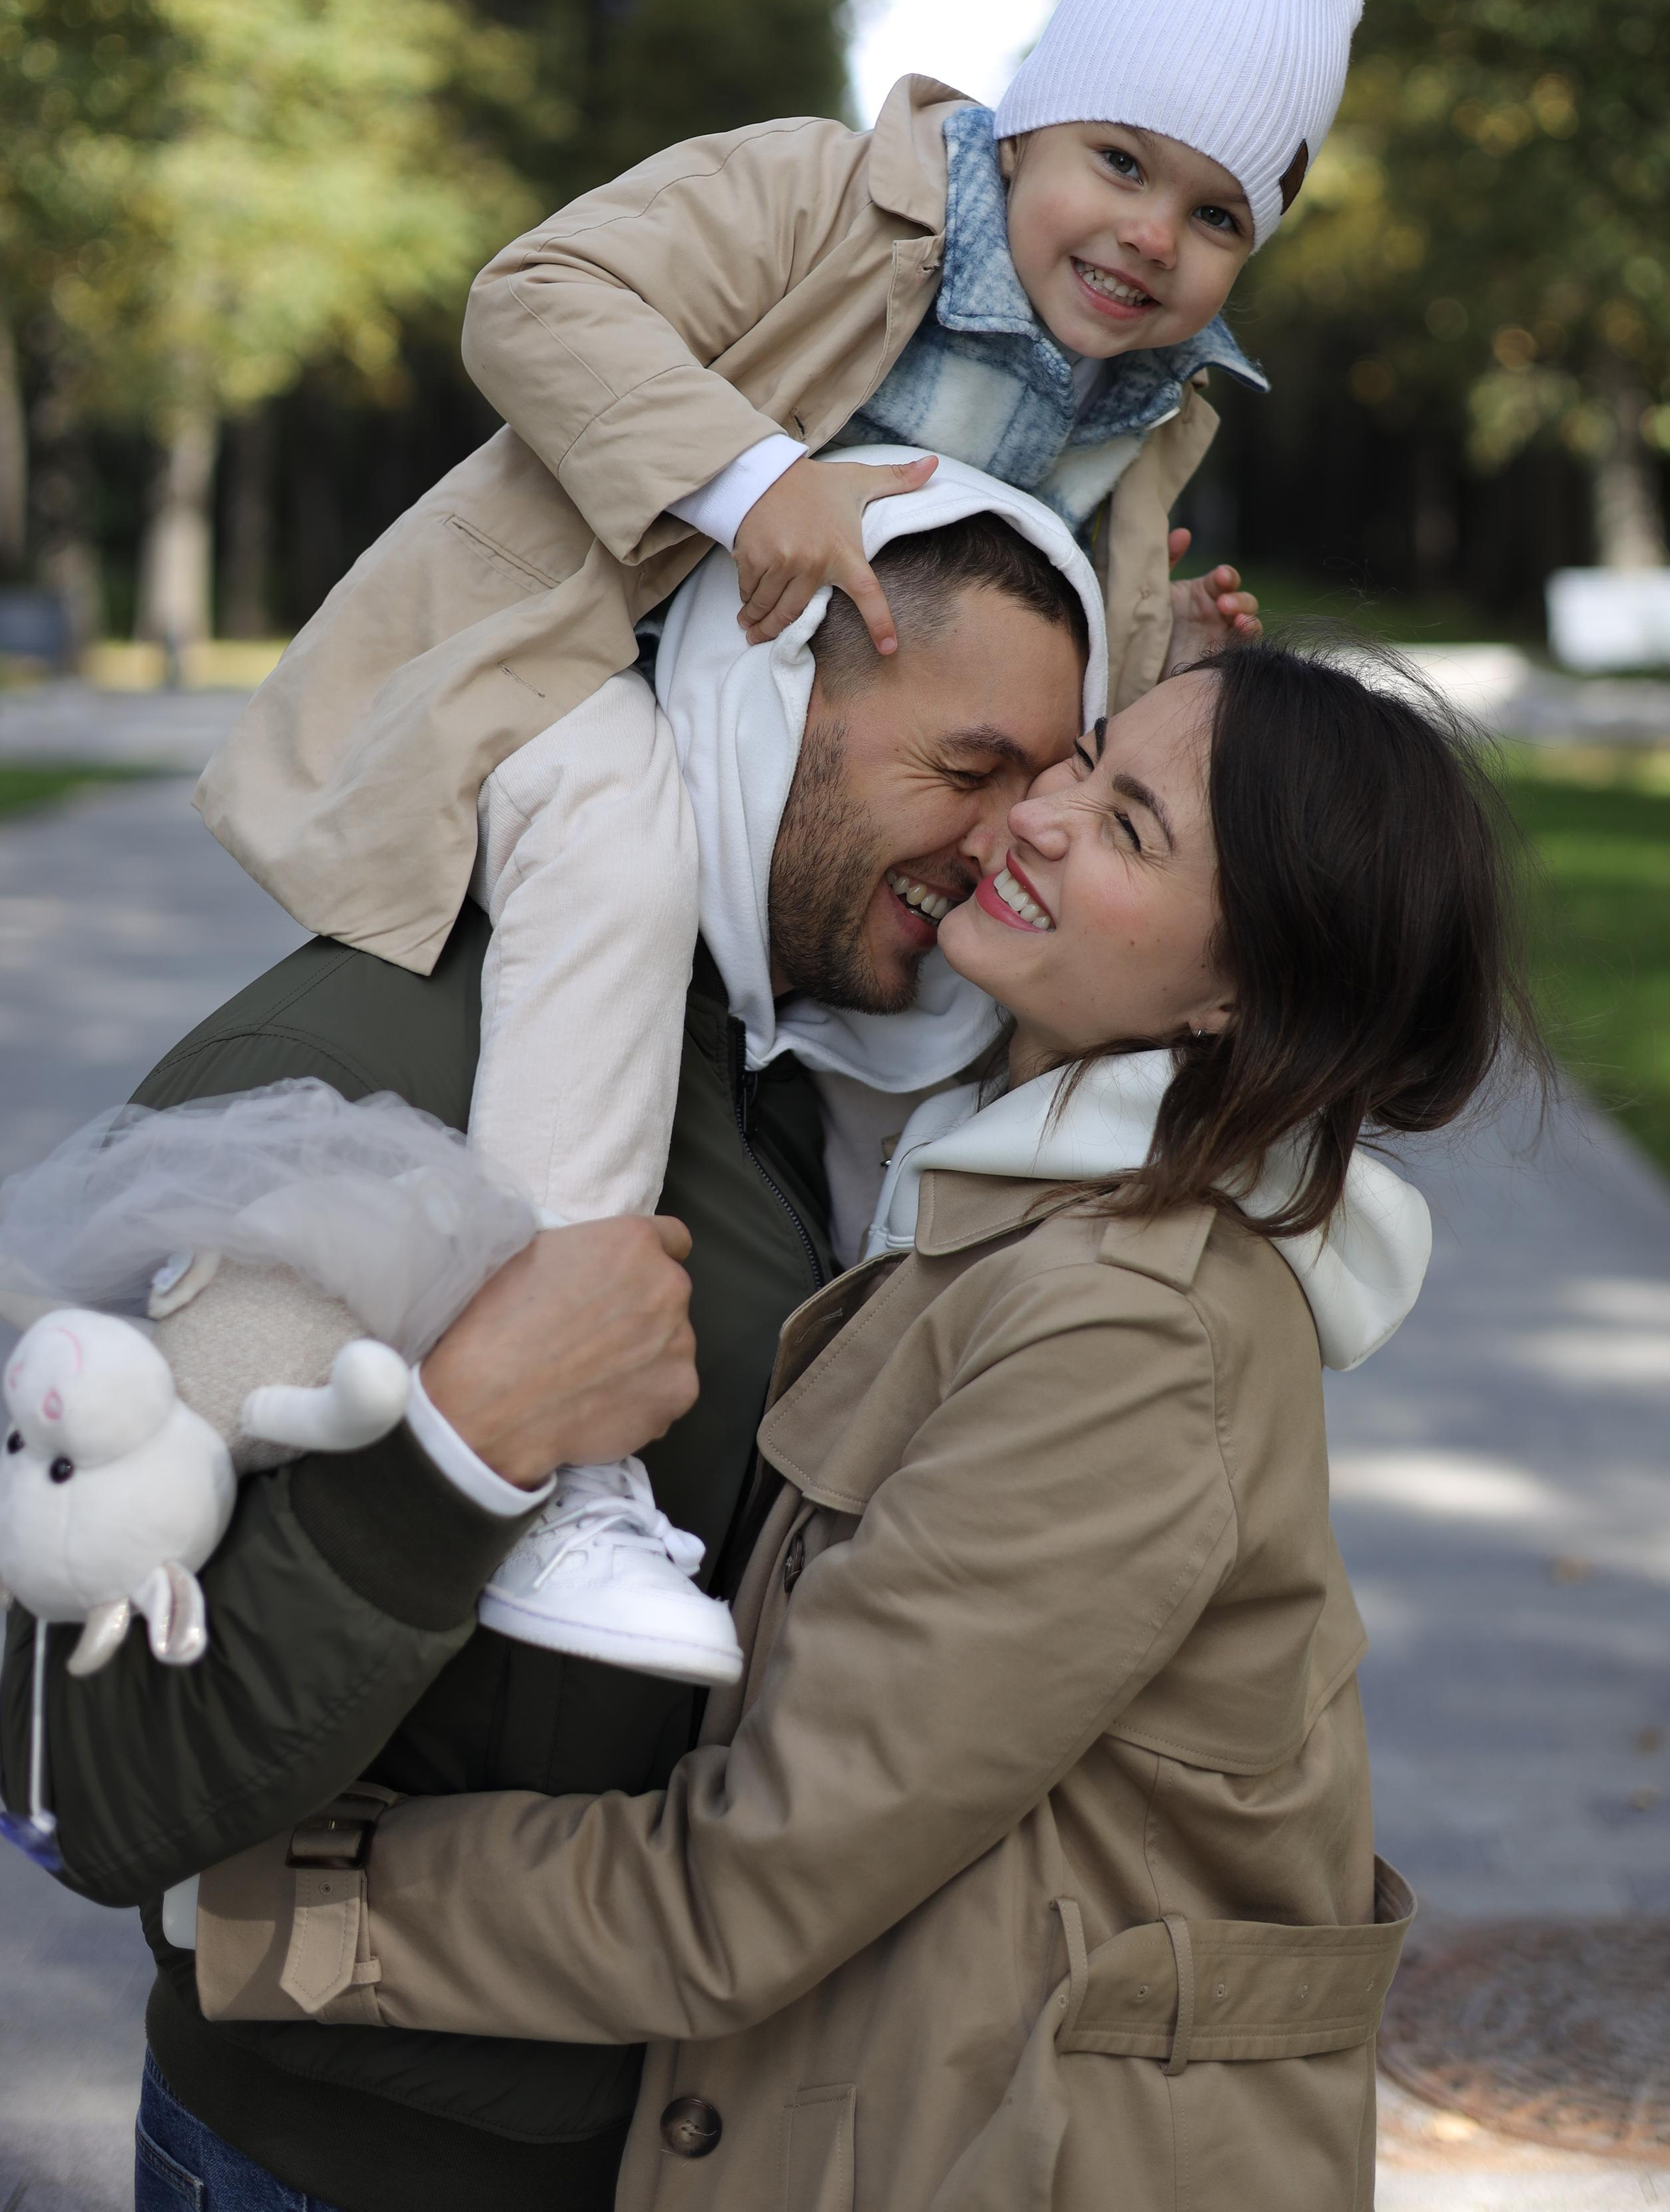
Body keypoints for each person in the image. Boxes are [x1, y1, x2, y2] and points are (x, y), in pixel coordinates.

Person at [187, 0, 1372, 1667]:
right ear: (1023, 133)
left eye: (1221, 214)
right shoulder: (825, 197)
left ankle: (880, 1438)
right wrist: (756, 482)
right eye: (1122, 160)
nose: (1153, 231)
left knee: (941, 1029)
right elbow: (538, 299)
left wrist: (1160, 676)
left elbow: (1036, 648)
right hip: (594, 662)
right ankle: (564, 1477)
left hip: (814, 789)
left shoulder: (1152, 413)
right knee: (616, 863)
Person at [181, 640, 1542, 2212]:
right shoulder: (1010, 1192)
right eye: (1080, 760)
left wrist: (272, 1894)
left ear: (1241, 997)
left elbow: (746, 1888)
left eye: (1126, 829)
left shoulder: (1127, 1335)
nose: (1033, 816)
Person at [1, 499, 1103, 2212]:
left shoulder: (840, 1078)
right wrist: (452, 1451)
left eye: (1049, 788)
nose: (1003, 838)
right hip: (344, 2170)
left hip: (718, 2142)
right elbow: (70, 1771)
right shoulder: (359, 1063)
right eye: (967, 768)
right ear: (761, 703)